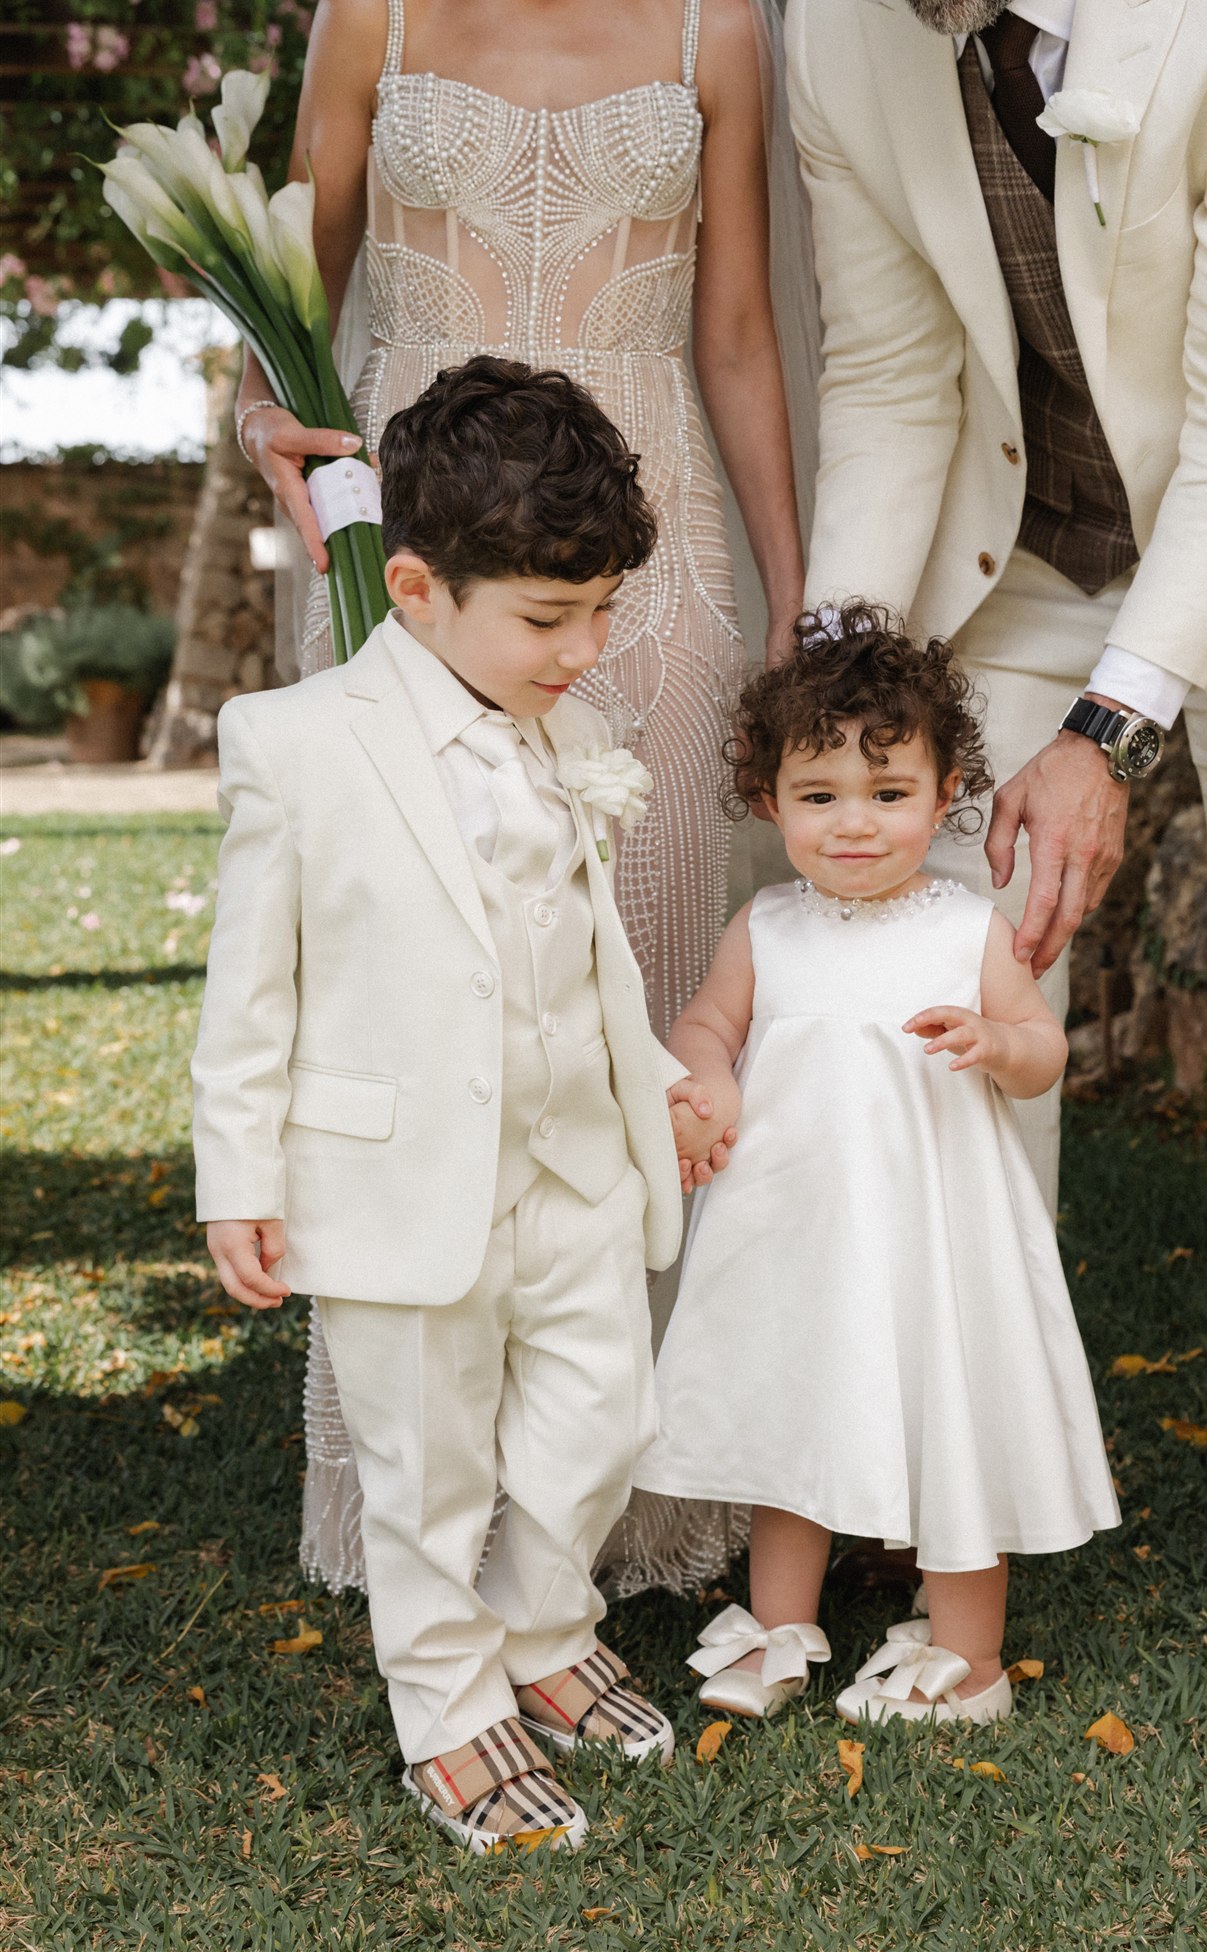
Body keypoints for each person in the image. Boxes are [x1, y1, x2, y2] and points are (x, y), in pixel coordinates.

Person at [785, 0, 1207, 1653]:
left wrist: (1112, 735)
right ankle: (949, 1473)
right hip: (1027, 552)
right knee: (935, 958)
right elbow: (888, 377)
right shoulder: (836, 4)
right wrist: (845, 694)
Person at [233, 0, 819, 1601]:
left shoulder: (716, 26)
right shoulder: (374, 10)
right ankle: (425, 1509)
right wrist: (279, 440)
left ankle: (615, 1514)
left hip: (649, 581)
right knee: (418, 1001)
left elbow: (733, 340)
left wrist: (789, 604)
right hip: (409, 569)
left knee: (621, 1028)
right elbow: (286, 321)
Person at [193, 359, 732, 1850]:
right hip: (397, 1180)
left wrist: (662, 1088)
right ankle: (448, 1707)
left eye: (602, 612)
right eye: (551, 620)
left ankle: (543, 1627)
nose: (585, 651)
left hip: (572, 1162)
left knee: (605, 1412)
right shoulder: (294, 746)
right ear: (417, 588)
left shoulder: (558, 731)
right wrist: (237, 1176)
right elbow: (251, 995)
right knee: (426, 1470)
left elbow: (590, 953)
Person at [634, 603, 1119, 1722]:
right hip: (797, 1223)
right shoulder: (766, 925)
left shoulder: (964, 930)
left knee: (951, 1407)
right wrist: (700, 1077)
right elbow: (708, 1020)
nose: (855, 823)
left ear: (945, 793)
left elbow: (1042, 1049)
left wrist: (997, 1042)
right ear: (769, 800)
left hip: (933, 1231)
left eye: (888, 793)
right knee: (792, 1412)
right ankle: (779, 1622)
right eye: (819, 797)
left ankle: (969, 1654)